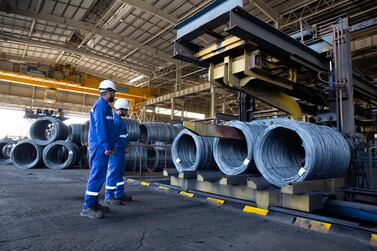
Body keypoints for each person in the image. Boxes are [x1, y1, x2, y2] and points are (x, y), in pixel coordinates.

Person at [80, 80, 117, 219]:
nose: (114, 95)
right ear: (108, 91)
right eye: (113, 92)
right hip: (100, 146)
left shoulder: (105, 106)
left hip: (102, 146)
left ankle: (94, 203)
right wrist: (106, 146)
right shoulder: (100, 106)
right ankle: (87, 207)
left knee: (100, 176)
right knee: (96, 176)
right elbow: (100, 128)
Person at [105, 98, 133, 205]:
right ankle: (109, 196)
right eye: (126, 110)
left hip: (120, 151)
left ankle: (119, 194)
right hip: (116, 151)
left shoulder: (119, 119)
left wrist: (126, 144)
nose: (127, 112)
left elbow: (122, 136)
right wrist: (123, 146)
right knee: (113, 173)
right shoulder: (115, 121)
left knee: (119, 173)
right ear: (121, 110)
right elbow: (113, 138)